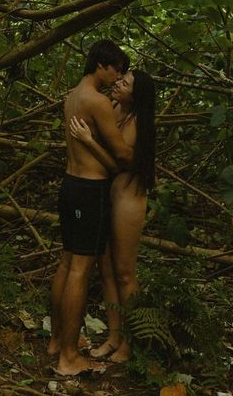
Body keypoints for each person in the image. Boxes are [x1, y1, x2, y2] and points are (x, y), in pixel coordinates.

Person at [47, 39, 133, 376]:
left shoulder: (72, 95)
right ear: (101, 65)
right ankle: (69, 356)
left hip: (71, 185)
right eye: (117, 70)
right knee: (81, 268)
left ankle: (57, 340)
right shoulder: (96, 102)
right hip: (89, 190)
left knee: (68, 262)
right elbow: (123, 156)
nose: (118, 78)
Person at [70, 69, 156, 363]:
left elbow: (121, 163)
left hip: (128, 197)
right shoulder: (115, 107)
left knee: (124, 272)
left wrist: (88, 140)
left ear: (137, 94)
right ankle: (114, 337)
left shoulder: (138, 121)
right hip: (106, 192)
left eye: (125, 83)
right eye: (119, 79)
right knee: (105, 269)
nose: (117, 83)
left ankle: (132, 342)